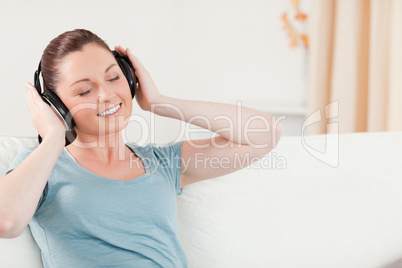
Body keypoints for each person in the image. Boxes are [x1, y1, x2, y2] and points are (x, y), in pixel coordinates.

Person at [0, 29, 282, 267]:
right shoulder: (42, 164)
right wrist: (52, 136)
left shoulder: (161, 161)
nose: (107, 95)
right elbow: (6, 220)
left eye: (114, 78)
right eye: (85, 91)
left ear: (130, 78)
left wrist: (160, 102)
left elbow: (265, 134)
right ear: (56, 106)